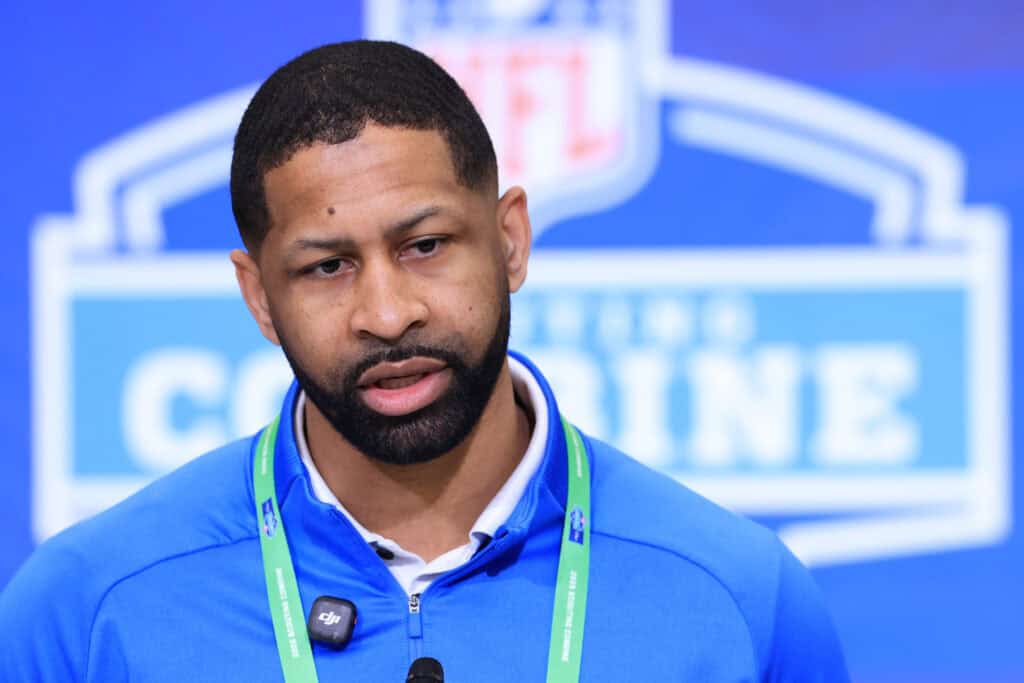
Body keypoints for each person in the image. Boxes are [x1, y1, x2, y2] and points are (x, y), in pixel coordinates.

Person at [0, 40, 849, 681]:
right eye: (326, 266)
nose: (387, 313)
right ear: (259, 297)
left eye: (426, 245)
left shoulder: (739, 596)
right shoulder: (88, 607)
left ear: (510, 240)